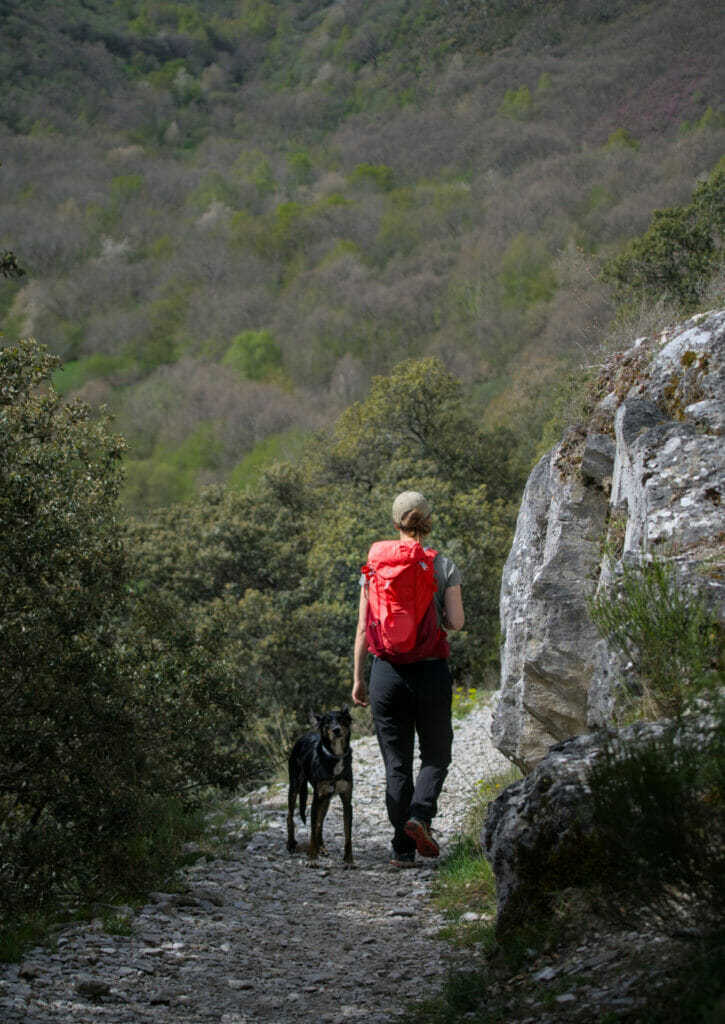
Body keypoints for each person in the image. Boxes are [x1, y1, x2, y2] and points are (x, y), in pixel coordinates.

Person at [352, 491, 465, 867]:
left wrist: (358, 679)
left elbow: (363, 630)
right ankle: (421, 814)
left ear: (395, 522)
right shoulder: (441, 564)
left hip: (386, 672)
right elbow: (457, 622)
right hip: (431, 670)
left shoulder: (373, 567)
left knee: (396, 763)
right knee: (435, 753)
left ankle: (402, 849)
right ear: (428, 521)